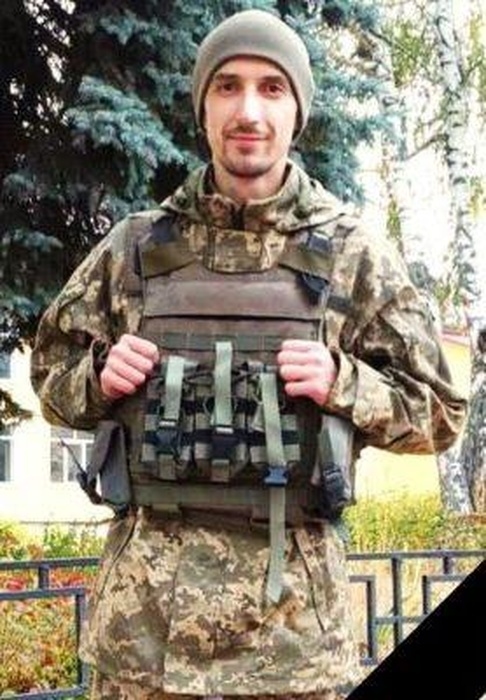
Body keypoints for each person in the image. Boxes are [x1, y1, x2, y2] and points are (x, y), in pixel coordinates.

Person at [30, 9, 467, 700]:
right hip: (144, 642)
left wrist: (345, 383)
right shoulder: (133, 248)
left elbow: (442, 411)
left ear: (297, 111)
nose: (249, 111)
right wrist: (97, 378)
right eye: (227, 86)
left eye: (272, 88)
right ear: (203, 107)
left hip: (292, 645)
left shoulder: (351, 253)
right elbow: (49, 377)